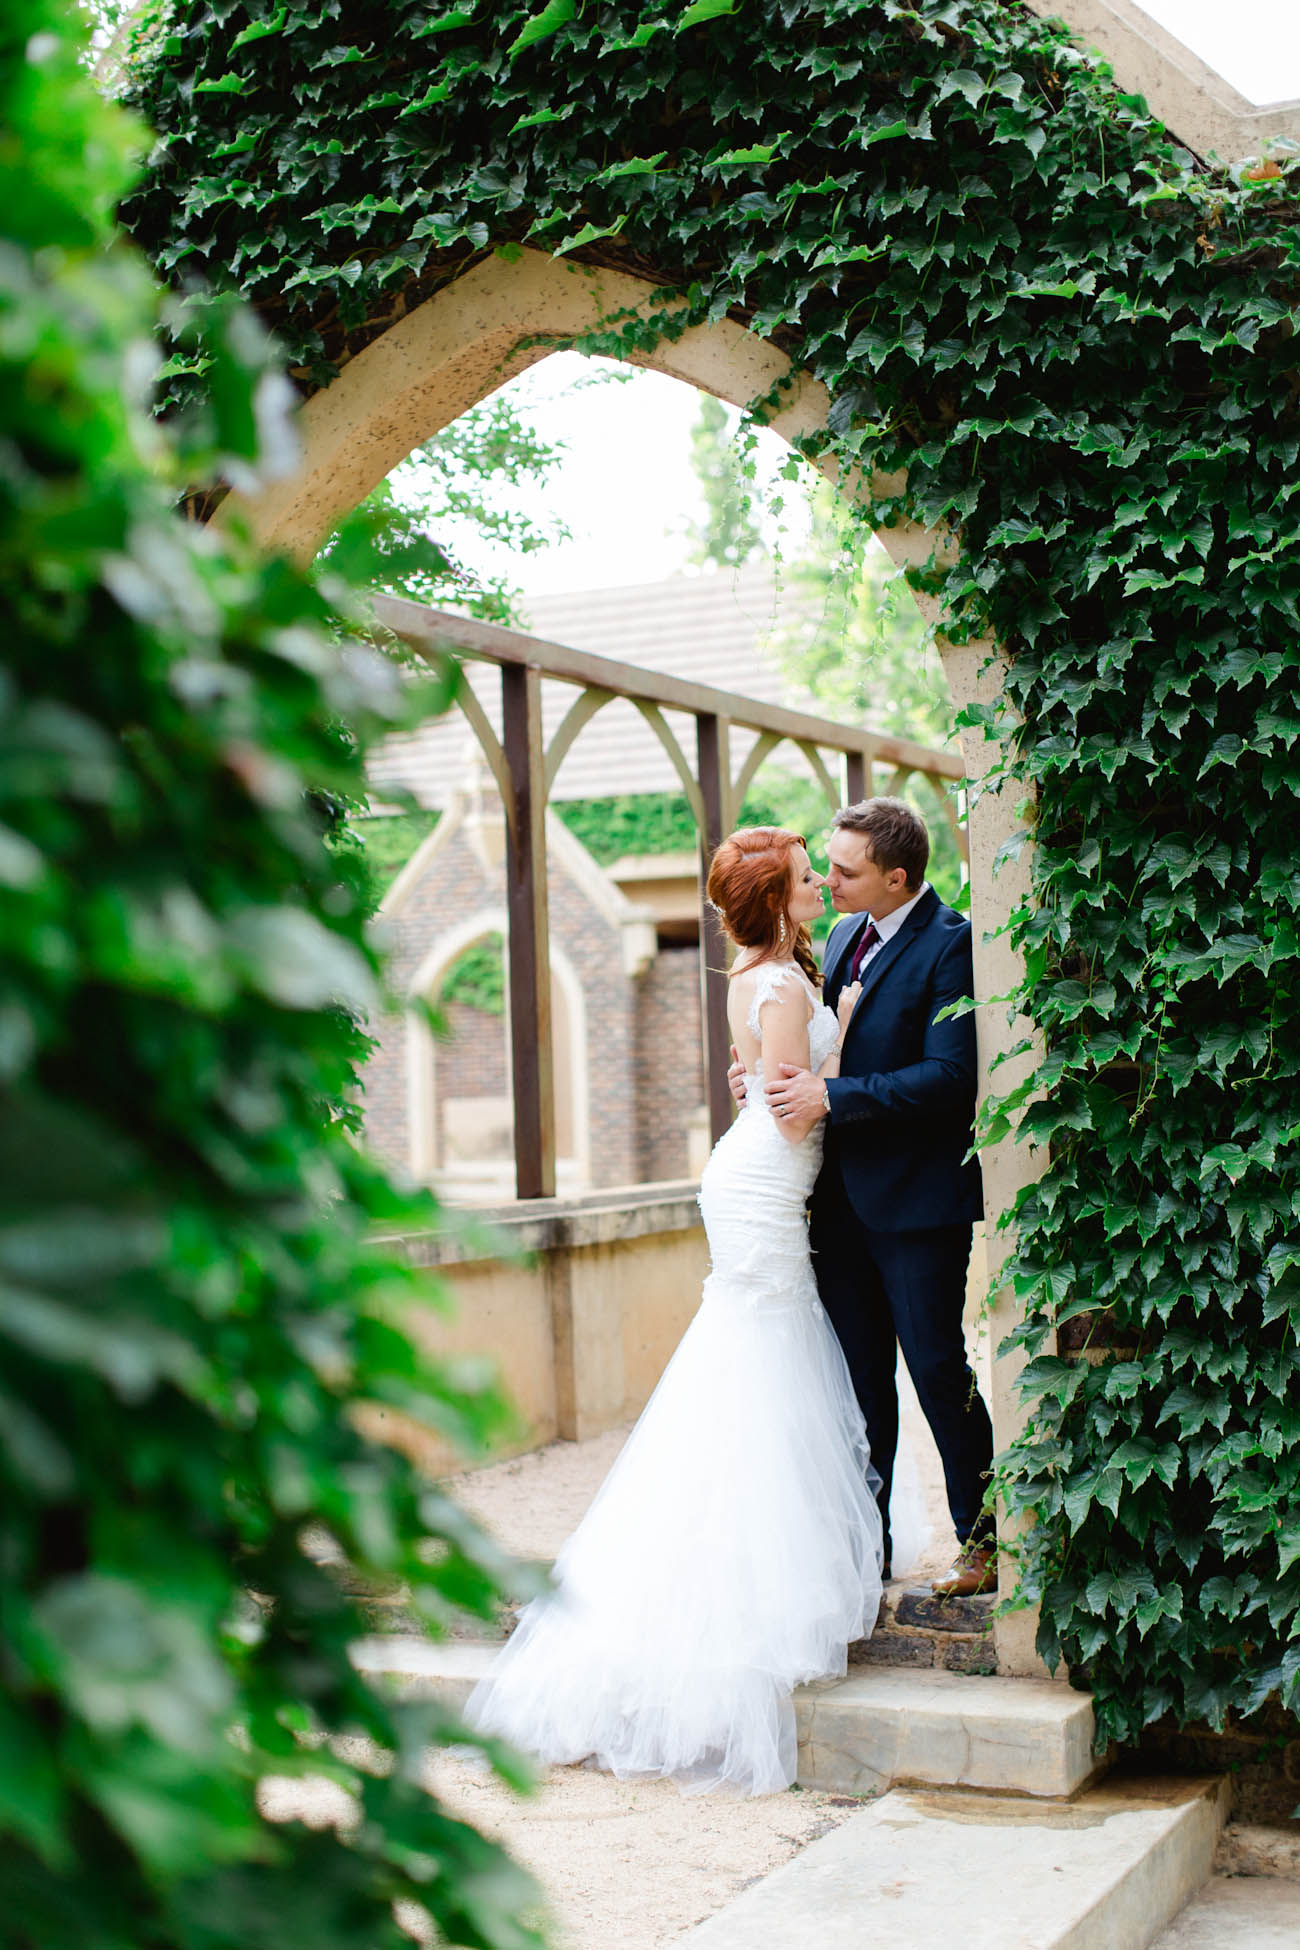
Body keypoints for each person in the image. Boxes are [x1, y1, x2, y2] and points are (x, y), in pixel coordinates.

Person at [465, 828, 889, 1796]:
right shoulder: (779, 987)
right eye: (802, 881)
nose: (819, 888)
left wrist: (829, 1034)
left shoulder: (765, 974)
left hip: (756, 1174)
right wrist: (846, 1038)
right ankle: (739, 1591)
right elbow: (791, 1108)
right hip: (763, 1180)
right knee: (761, 1355)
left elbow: (772, 1087)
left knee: (759, 1351)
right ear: (774, 897)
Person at [742, 797, 996, 1598]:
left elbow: (952, 1079)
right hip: (836, 1207)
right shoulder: (845, 935)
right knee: (856, 1386)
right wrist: (765, 1081)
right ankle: (866, 1551)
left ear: (898, 876)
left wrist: (834, 1098)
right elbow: (810, 1050)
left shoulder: (953, 944)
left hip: (919, 1207)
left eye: (846, 871)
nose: (831, 881)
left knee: (935, 1369)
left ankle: (983, 1542)